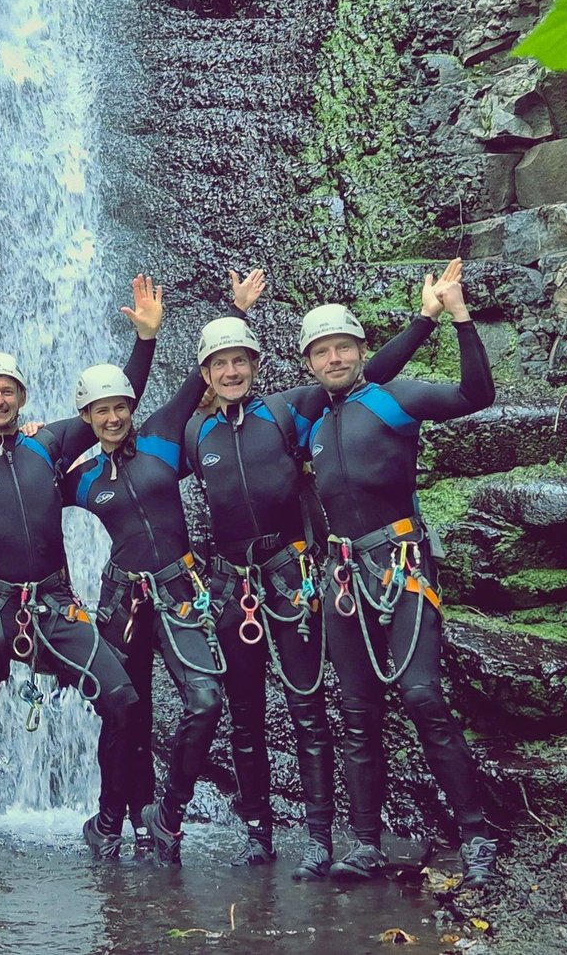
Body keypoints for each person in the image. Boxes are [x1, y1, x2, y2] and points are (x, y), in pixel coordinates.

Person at [186, 263, 462, 880]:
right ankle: (273, 835)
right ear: (205, 372)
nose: (231, 372)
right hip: (244, 583)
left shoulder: (290, 412)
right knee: (258, 712)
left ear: (258, 364)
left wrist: (428, 318)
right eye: (218, 363)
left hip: (304, 575)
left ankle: (323, 841)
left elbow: (366, 380)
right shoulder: (193, 430)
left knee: (321, 708)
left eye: (241, 360)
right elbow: (144, 456)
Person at [0, 276, 163, 861]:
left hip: (54, 606)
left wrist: (145, 339)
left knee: (125, 700)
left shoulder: (50, 444)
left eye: (7, 390)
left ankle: (108, 819)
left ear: (22, 397)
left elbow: (113, 408)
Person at [299, 262, 500, 887]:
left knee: (421, 697)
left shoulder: (394, 398)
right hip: (341, 573)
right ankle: (363, 842)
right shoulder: (308, 422)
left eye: (344, 348)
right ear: (309, 363)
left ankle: (477, 834)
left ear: (362, 352)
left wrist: (454, 317)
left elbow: (476, 396)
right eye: (322, 351)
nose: (334, 359)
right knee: (357, 710)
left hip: (400, 563)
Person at [64, 274, 258, 865]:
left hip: (178, 589)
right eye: (103, 410)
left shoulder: (163, 438)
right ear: (87, 417)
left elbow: (202, 375)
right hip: (120, 600)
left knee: (204, 703)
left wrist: (225, 315)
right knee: (126, 715)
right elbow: (20, 512)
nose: (115, 417)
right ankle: (111, 819)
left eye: (122, 406)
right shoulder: (81, 480)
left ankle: (167, 813)